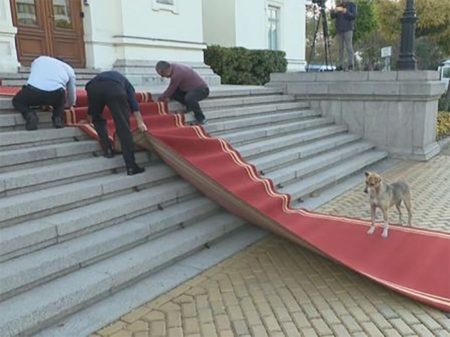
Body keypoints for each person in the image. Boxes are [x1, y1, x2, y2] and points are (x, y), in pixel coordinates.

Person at [85, 71, 147, 176]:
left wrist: (89, 118)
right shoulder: (128, 85)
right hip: (114, 89)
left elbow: (92, 107)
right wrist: (140, 122)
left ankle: (108, 150)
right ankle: (131, 166)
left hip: (92, 87)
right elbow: (133, 103)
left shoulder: (101, 78)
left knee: (97, 120)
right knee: (123, 126)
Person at [12, 56, 76, 130]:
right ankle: (57, 118)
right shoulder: (69, 69)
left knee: (17, 101)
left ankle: (29, 114)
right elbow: (71, 93)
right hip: (55, 94)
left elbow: (35, 78)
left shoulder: (39, 60)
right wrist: (69, 104)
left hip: (33, 92)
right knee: (61, 98)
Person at [156, 61, 209, 125]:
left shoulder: (177, 74)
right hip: (190, 89)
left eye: (162, 75)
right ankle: (189, 106)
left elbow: (171, 89)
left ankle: (201, 118)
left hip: (202, 90)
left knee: (189, 97)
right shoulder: (174, 67)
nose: (163, 77)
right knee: (175, 93)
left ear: (164, 71)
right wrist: (169, 97)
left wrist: (160, 99)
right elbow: (172, 90)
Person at [331, 0, 357, 71]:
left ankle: (350, 64)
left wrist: (346, 12)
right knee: (340, 48)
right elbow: (332, 16)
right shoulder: (338, 5)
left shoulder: (352, 5)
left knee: (349, 47)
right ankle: (341, 65)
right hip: (339, 29)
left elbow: (354, 16)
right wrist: (334, 11)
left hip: (348, 29)